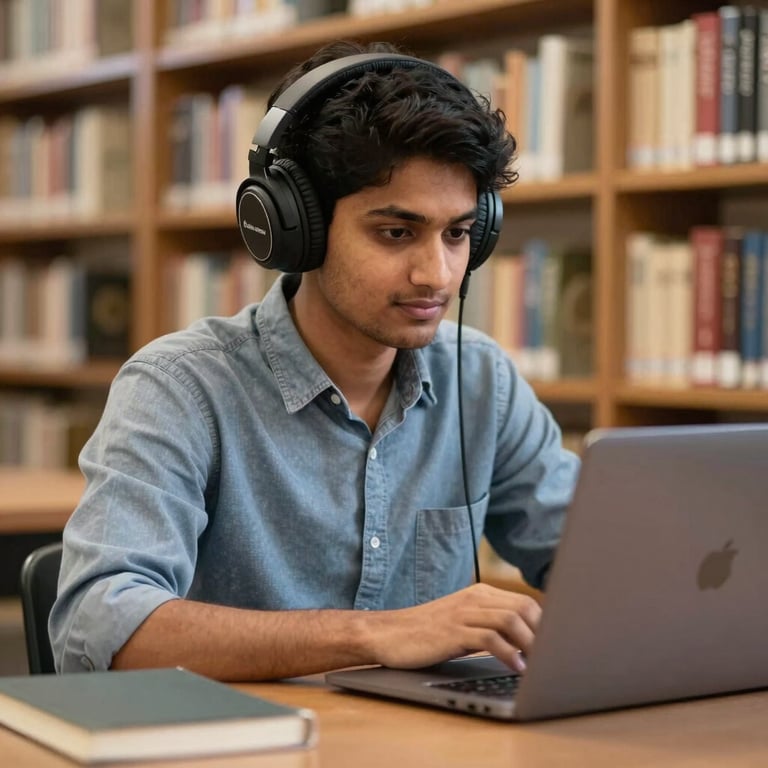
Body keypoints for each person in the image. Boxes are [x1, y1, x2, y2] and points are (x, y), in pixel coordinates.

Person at [50, 40, 580, 680]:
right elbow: (100, 624)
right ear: (294, 226)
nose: (436, 273)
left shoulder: (480, 381)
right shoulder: (180, 388)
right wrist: (375, 635)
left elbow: (593, 560)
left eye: (458, 233)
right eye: (396, 232)